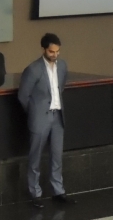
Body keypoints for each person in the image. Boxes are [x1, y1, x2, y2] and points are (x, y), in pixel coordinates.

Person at [18, 33, 76, 208]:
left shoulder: (62, 66)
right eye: (51, 51)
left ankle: (58, 191)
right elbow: (23, 96)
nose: (55, 55)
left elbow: (61, 87)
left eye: (57, 51)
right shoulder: (33, 69)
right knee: (35, 157)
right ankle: (34, 193)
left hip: (57, 116)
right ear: (44, 49)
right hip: (40, 118)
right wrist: (34, 112)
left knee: (57, 156)